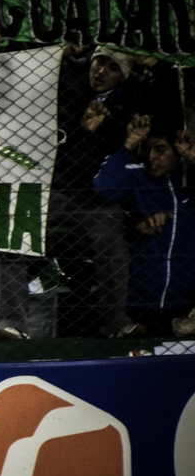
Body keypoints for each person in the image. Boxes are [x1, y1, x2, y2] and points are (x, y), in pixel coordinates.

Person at [0, 44, 153, 340]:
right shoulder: (66, 90)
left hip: (94, 199)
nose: (101, 71)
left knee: (112, 238)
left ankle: (116, 323)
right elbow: (58, 149)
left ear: (123, 76)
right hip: (54, 189)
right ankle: (12, 323)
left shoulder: (130, 103)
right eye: (99, 63)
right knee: (12, 234)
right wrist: (82, 129)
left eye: (112, 67)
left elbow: (108, 158)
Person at [93, 118, 195, 334]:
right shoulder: (136, 174)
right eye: (147, 150)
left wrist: (192, 157)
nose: (151, 158)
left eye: (160, 150)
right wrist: (130, 143)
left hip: (186, 302)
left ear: (177, 150)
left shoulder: (188, 176)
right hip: (138, 301)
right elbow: (103, 187)